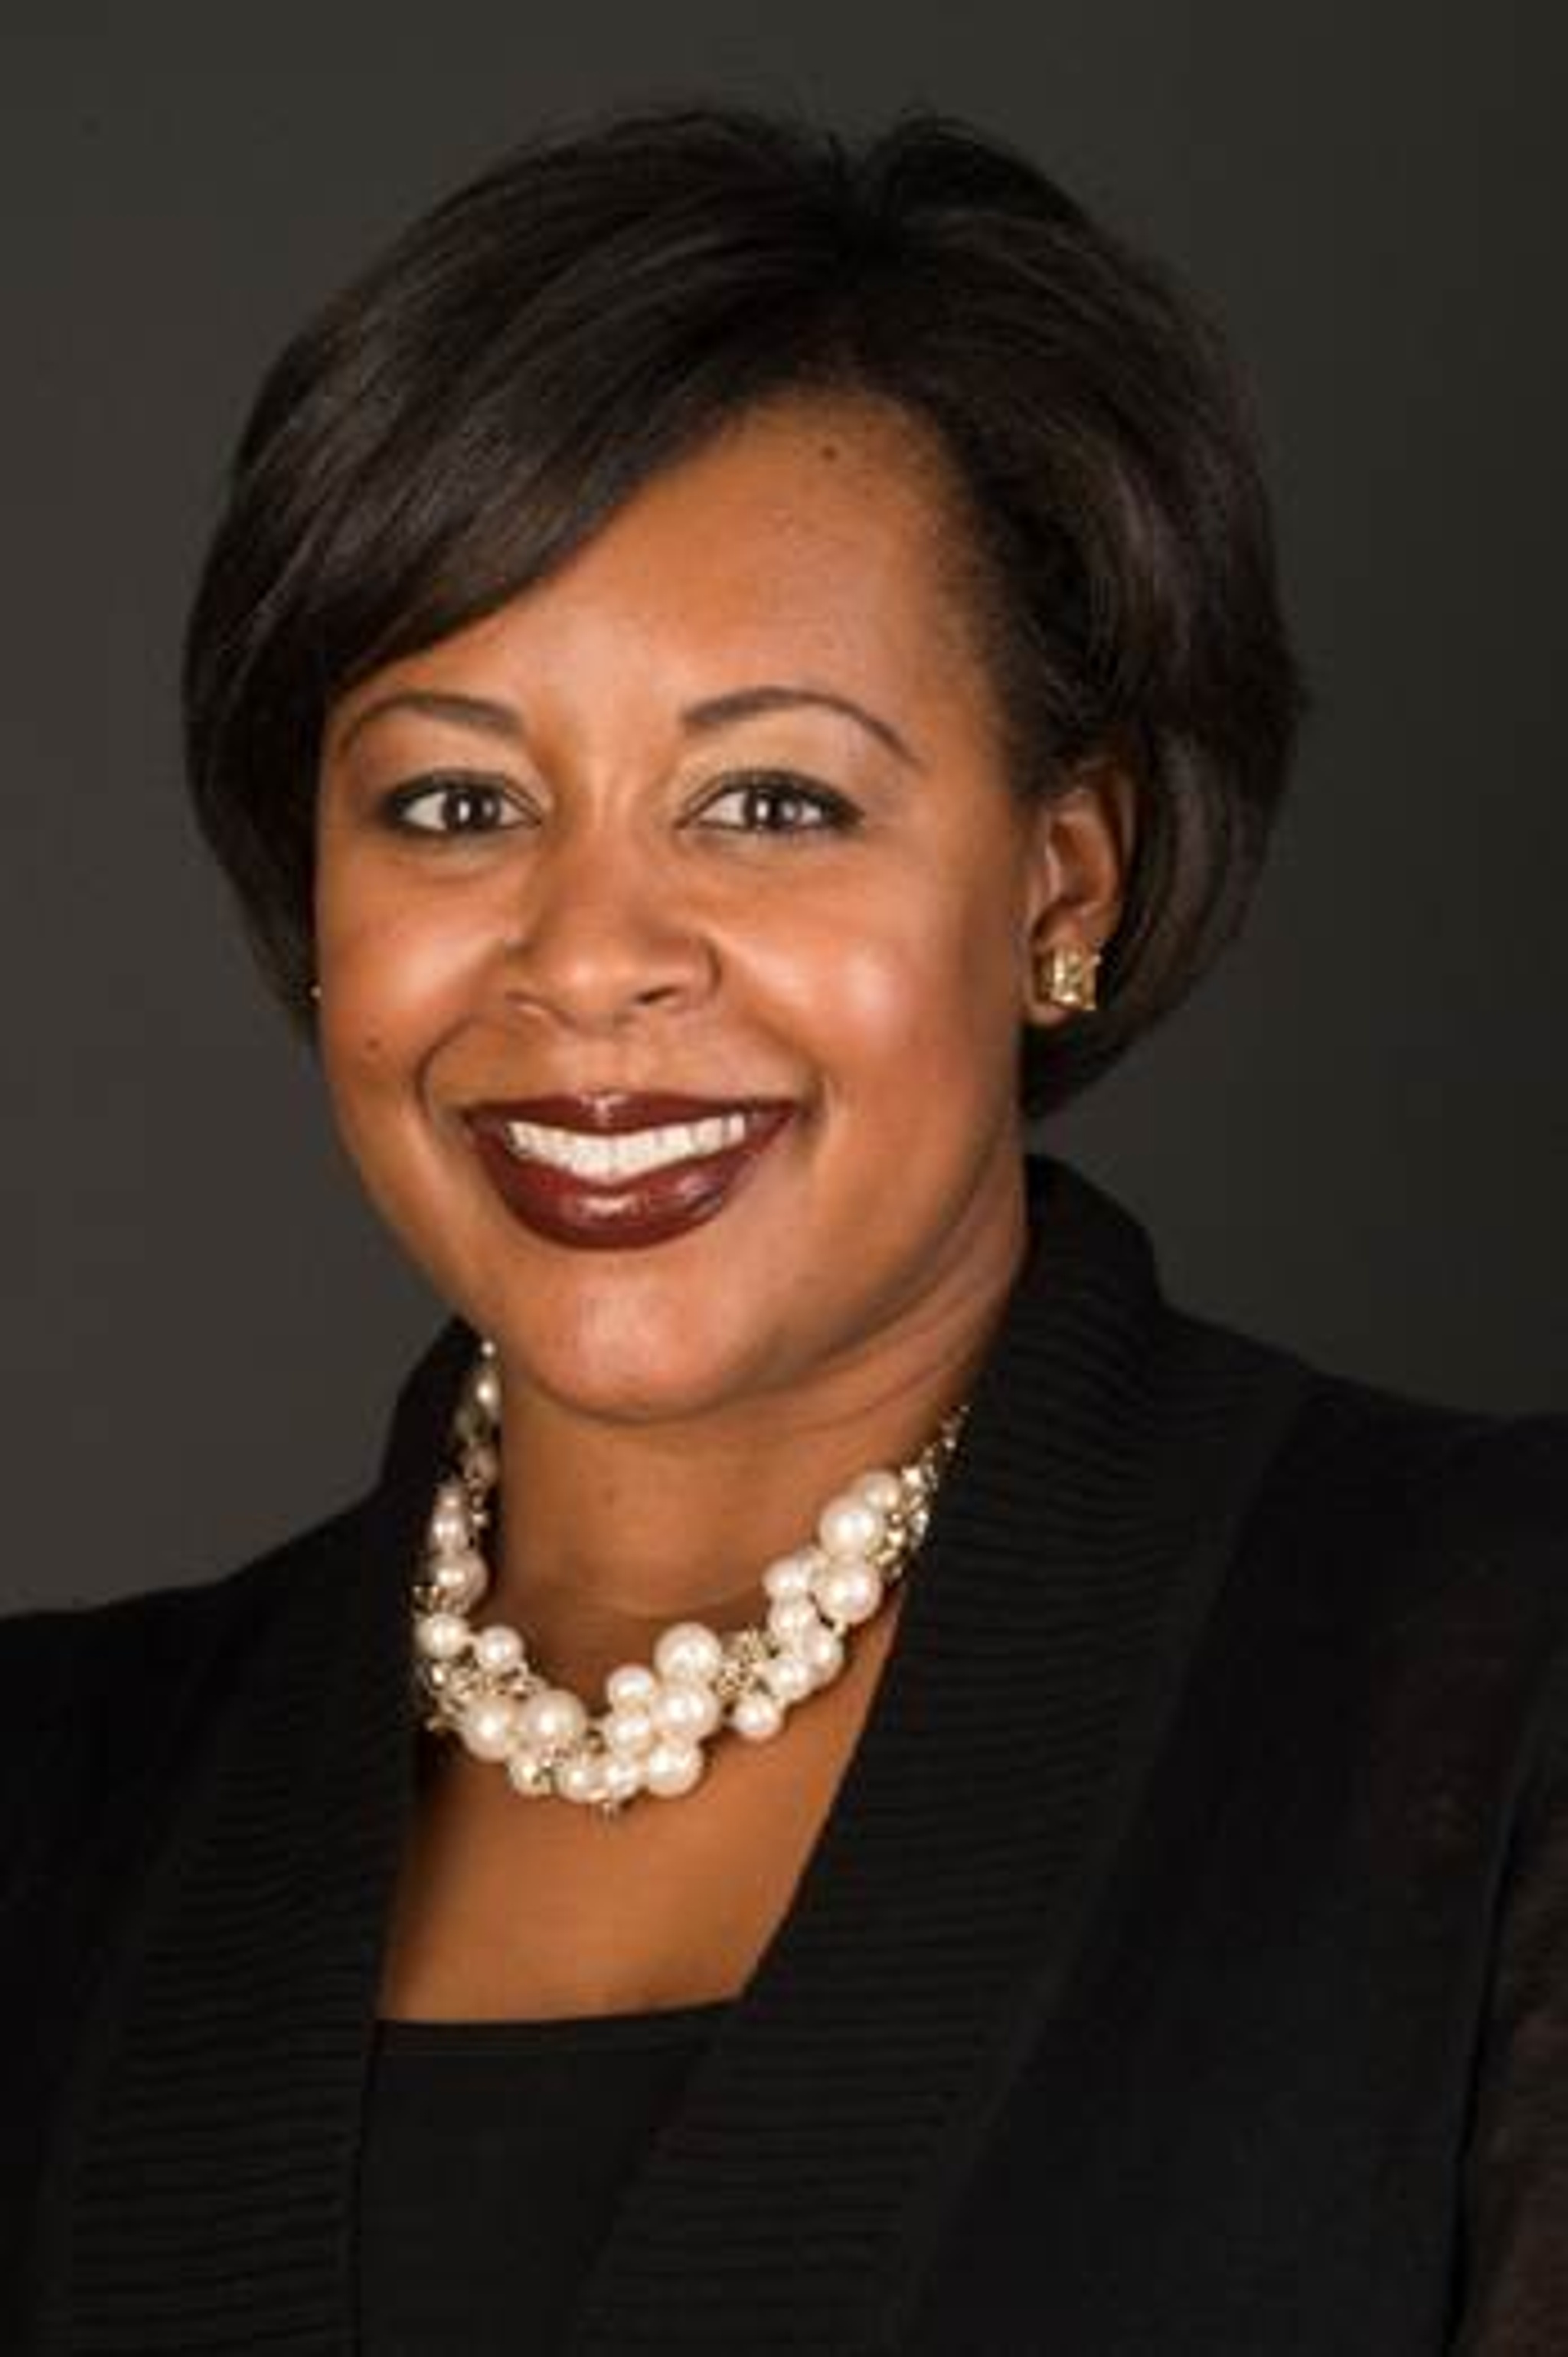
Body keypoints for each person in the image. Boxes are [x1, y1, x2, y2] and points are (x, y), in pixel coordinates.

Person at [2, 94, 1564, 2357]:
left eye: (768, 800)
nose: (589, 955)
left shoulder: (1486, 1692)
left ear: (1063, 879)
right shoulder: (56, 1806)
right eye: (454, 800)